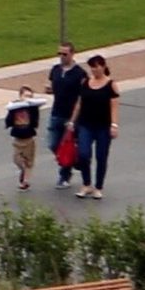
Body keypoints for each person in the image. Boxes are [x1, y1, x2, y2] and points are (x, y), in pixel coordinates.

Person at [43, 45, 89, 192]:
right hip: (57, 112)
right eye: (59, 53)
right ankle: (71, 162)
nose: (62, 56)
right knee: (52, 143)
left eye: (65, 54)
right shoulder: (55, 70)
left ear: (72, 54)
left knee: (68, 145)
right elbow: (52, 86)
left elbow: (82, 98)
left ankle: (64, 174)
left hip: (72, 116)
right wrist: (49, 89)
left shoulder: (79, 74)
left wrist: (73, 119)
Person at [73, 54, 119, 198]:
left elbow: (114, 106)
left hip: (103, 126)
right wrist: (72, 120)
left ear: (103, 67)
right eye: (92, 67)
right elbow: (79, 103)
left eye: (97, 66)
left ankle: (98, 186)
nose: (94, 70)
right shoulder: (85, 82)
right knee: (83, 154)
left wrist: (114, 124)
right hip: (86, 124)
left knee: (101, 156)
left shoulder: (111, 84)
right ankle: (86, 184)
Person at [2, 85, 44, 189]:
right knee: (17, 159)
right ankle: (23, 170)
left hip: (29, 138)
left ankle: (25, 181)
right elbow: (8, 120)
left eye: (30, 96)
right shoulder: (15, 108)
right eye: (26, 96)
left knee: (29, 161)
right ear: (20, 96)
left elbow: (35, 122)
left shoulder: (33, 108)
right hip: (17, 138)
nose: (28, 98)